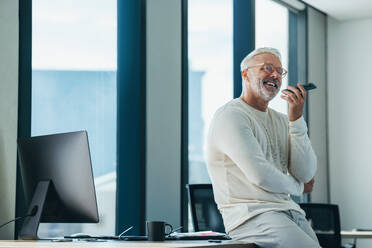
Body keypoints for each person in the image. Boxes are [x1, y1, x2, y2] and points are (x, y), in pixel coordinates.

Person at [206, 47, 319, 248]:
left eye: (279, 71)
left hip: (289, 211)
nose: (275, 75)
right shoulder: (231, 116)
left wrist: (296, 120)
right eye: (267, 68)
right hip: (251, 216)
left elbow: (306, 173)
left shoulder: (283, 120)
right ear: (245, 74)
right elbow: (261, 175)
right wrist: (300, 188)